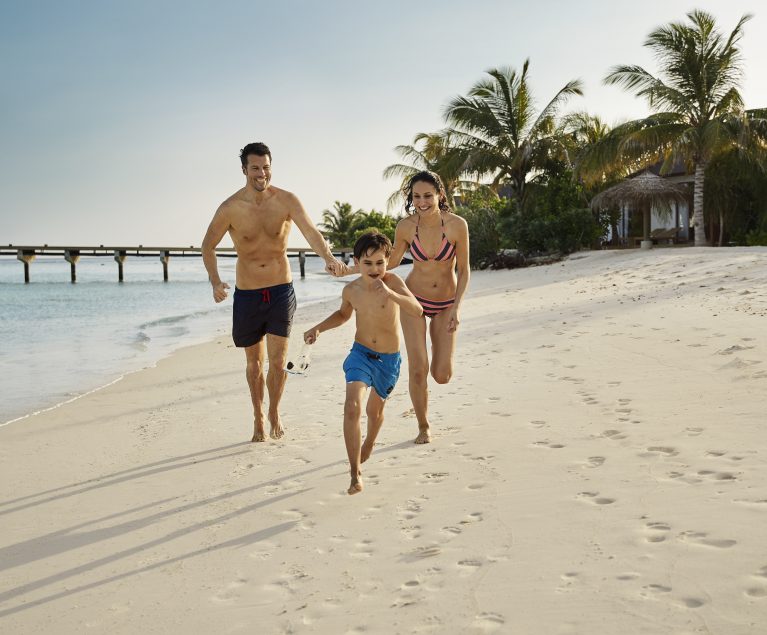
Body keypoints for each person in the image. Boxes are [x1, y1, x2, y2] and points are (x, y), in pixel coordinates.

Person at [202, 142, 343, 443]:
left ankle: (275, 410)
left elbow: (311, 232)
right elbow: (207, 246)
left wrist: (328, 258)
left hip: (280, 289)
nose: (261, 173)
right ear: (244, 170)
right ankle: (257, 415)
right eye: (255, 167)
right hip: (248, 294)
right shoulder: (230, 208)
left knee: (278, 363)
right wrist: (215, 281)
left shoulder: (287, 200)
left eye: (266, 167)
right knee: (254, 364)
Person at [333, 171, 470, 444]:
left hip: (445, 304)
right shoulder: (406, 227)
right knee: (418, 368)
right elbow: (391, 261)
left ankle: (429, 403)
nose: (422, 202)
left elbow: (465, 270)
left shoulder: (456, 225)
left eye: (427, 196)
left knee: (441, 374)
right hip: (414, 299)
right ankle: (423, 425)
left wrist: (456, 307)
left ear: (440, 195)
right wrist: (348, 270)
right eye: (416, 196)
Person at [304, 232, 422, 495]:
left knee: (375, 413)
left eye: (380, 263)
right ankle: (355, 473)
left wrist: (392, 294)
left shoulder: (394, 282)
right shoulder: (351, 290)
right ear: (356, 262)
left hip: (388, 361)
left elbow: (417, 310)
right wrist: (319, 328)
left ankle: (370, 440)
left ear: (387, 261)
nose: (375, 269)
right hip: (360, 355)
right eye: (367, 263)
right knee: (352, 407)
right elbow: (343, 315)